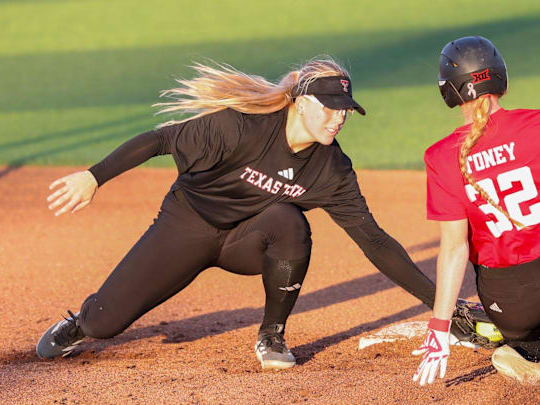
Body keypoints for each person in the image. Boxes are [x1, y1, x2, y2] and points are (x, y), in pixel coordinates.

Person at [36, 57, 501, 370]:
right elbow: (160, 139)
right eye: (330, 107)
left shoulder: (332, 168)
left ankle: (272, 334)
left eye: (346, 110)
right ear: (299, 102)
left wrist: (444, 309)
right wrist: (94, 177)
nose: (339, 118)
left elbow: (375, 242)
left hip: (247, 241)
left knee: (290, 223)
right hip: (186, 226)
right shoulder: (239, 127)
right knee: (104, 322)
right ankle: (80, 323)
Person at [412, 36, 540, 385]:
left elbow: (454, 248)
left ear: (449, 91)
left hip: (508, 296)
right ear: (500, 77)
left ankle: (529, 352)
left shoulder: (440, 156)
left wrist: (439, 327)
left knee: (528, 335)